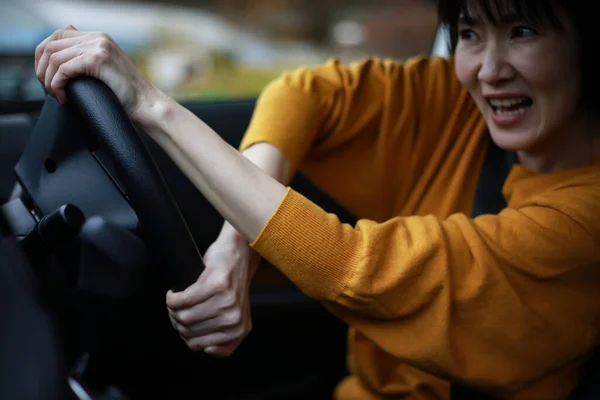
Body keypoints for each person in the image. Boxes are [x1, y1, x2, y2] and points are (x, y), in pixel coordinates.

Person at [34, 0, 600, 398]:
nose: (490, 71)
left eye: (524, 30)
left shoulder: (584, 220)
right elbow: (306, 93)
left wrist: (151, 106)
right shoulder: (456, 102)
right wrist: (236, 248)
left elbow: (357, 267)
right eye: (471, 33)